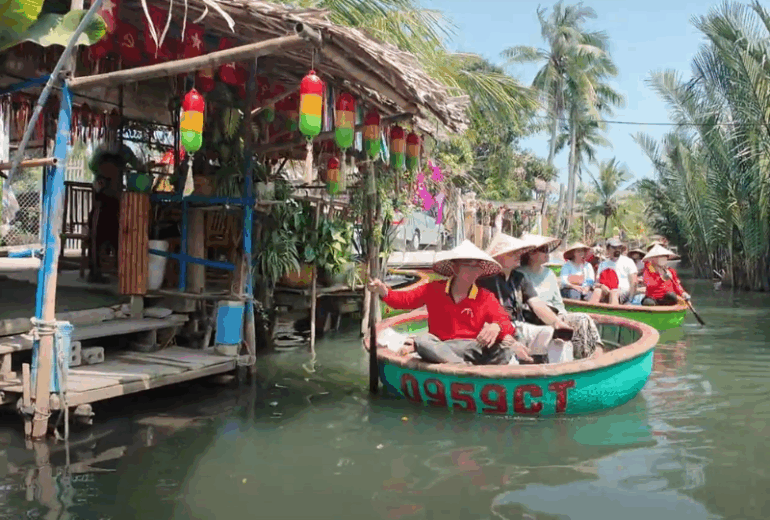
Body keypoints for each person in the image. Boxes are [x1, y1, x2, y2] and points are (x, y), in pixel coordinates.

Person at [367, 240, 530, 365]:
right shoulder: (433, 289)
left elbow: (505, 322)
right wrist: (383, 291)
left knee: (506, 348)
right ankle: (462, 368)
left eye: (477, 267)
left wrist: (496, 327)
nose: (473, 271)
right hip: (440, 347)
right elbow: (403, 301)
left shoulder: (485, 296)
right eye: (468, 266)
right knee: (423, 341)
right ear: (455, 268)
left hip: (473, 348)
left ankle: (459, 366)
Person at [478, 233, 575, 364]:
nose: (519, 255)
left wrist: (556, 322)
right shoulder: (484, 281)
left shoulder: (519, 278)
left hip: (520, 327)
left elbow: (537, 304)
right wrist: (508, 340)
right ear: (499, 256)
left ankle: (561, 379)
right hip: (497, 331)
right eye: (513, 253)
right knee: (510, 355)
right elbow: (480, 318)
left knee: (560, 340)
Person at [516, 234, 604, 359]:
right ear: (531, 253)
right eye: (544, 250)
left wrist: (561, 316)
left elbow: (558, 303)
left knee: (583, 319)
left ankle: (592, 357)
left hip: (556, 316)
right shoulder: (519, 274)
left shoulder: (549, 274)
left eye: (548, 250)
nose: (548, 253)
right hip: (533, 319)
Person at [87, 148, 128, 283]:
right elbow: (96, 200)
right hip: (101, 216)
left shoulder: (116, 182)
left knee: (117, 240)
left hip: (114, 215)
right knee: (97, 242)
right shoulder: (101, 181)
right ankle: (95, 272)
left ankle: (118, 269)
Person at [595, 238, 638, 305]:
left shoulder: (628, 261)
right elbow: (597, 283)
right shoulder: (602, 264)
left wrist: (630, 300)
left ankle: (613, 313)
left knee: (614, 292)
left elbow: (634, 282)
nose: (617, 250)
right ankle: (588, 313)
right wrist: (601, 286)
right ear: (608, 249)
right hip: (606, 290)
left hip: (622, 291)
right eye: (614, 248)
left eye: (619, 247)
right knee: (597, 291)